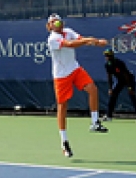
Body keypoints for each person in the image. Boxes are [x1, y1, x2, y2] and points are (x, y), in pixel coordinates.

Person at [46, 14, 108, 158]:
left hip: (75, 69)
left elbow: (80, 39)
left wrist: (97, 42)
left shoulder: (69, 31)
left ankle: (95, 122)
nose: (56, 24)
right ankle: (64, 141)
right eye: (52, 22)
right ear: (49, 26)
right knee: (62, 107)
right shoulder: (52, 39)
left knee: (92, 89)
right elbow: (71, 44)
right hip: (61, 76)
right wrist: (88, 40)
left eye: (58, 21)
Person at [103, 49, 136, 123]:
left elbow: (126, 75)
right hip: (120, 81)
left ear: (111, 56)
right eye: (105, 55)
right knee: (113, 96)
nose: (106, 57)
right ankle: (108, 116)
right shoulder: (107, 65)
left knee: (132, 96)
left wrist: (130, 87)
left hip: (129, 80)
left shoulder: (119, 63)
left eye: (108, 55)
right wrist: (110, 88)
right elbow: (109, 77)